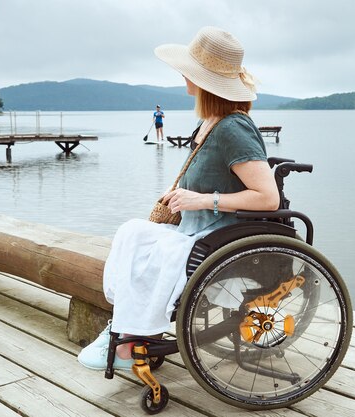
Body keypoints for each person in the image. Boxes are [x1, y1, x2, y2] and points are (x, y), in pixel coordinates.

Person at [78, 26, 279, 370]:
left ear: (203, 81)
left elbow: (267, 198)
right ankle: (130, 330)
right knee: (132, 232)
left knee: (161, 250)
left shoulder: (234, 127)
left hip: (217, 236)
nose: (181, 75)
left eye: (188, 71)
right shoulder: (212, 122)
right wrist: (184, 194)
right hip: (198, 229)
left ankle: (131, 339)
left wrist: (202, 200)